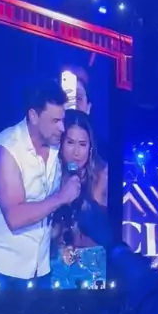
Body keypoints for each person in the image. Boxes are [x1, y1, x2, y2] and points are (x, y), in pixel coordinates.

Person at [0, 79, 81, 287]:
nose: (61, 127)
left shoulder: (55, 143)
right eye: (55, 121)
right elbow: (15, 217)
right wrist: (61, 198)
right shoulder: (6, 150)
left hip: (39, 268)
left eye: (62, 119)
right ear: (33, 116)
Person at [50, 110, 109, 289]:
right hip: (55, 262)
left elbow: (102, 229)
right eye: (70, 143)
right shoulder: (50, 174)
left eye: (82, 144)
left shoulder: (101, 176)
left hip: (92, 264)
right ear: (61, 143)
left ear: (90, 147)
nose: (76, 152)